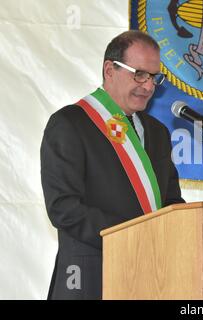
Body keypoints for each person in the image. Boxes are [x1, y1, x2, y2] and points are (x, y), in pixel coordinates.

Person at [41, 30, 185, 300]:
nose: (149, 86)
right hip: (89, 278)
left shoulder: (158, 133)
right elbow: (64, 208)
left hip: (150, 278)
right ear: (110, 70)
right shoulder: (70, 123)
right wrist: (132, 236)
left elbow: (171, 201)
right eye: (139, 74)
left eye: (154, 78)